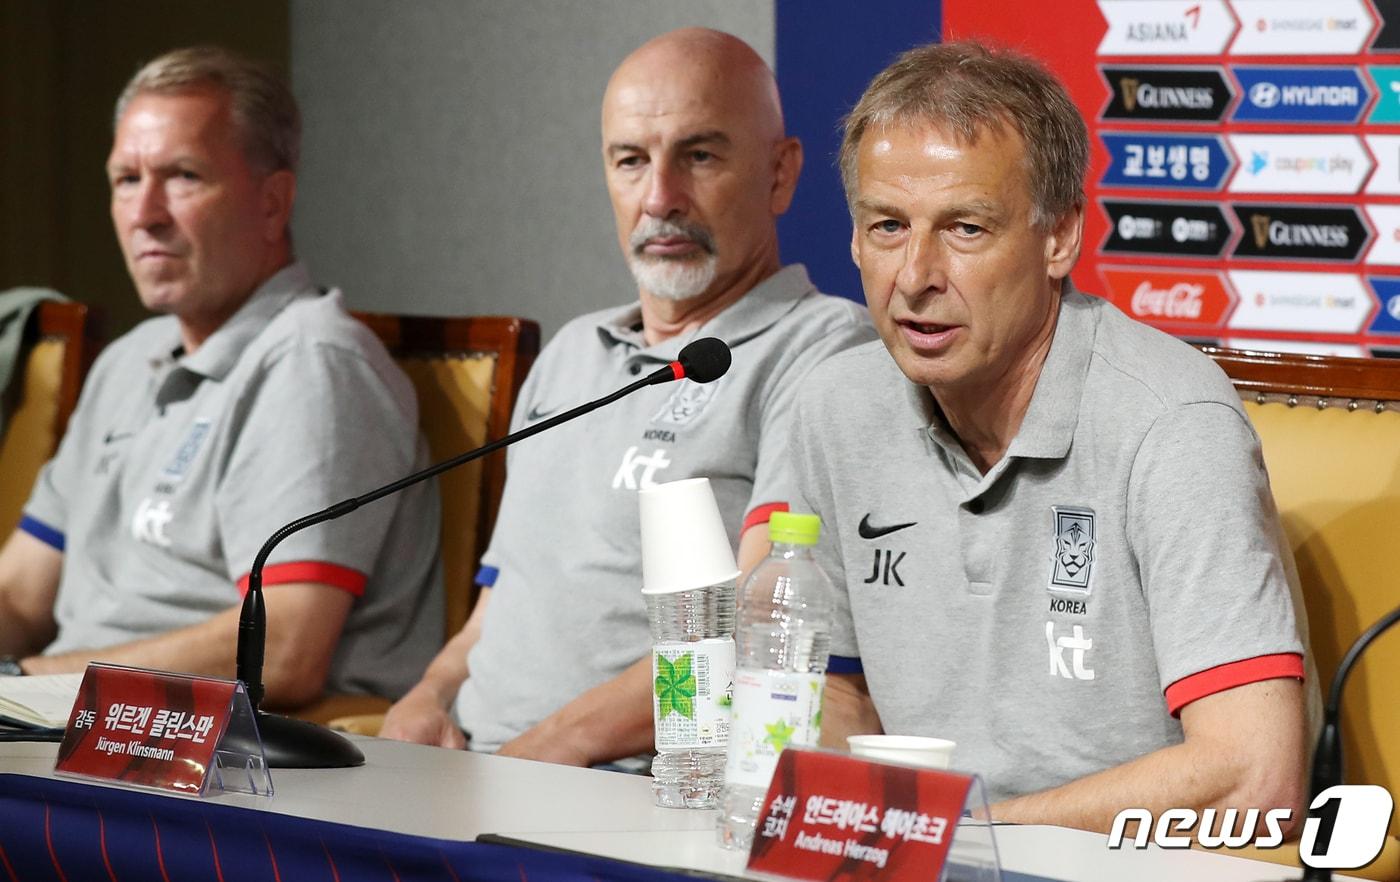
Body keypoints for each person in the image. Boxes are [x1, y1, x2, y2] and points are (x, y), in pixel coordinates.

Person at [797, 41, 1309, 833]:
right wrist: (862, 826)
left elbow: (1254, 776)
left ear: (1059, 237)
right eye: (888, 226)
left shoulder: (1171, 425)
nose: (915, 275)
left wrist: (965, 837)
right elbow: (834, 689)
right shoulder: (836, 405)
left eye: (965, 228)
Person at [381, 28, 874, 764]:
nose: (659, 198)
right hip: (477, 768)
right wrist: (427, 695)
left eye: (699, 156)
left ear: (780, 173)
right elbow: (500, 601)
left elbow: (753, 623)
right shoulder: (572, 355)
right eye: (630, 160)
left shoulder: (825, 352)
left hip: (633, 789)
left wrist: (532, 760)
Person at [0, 47, 443, 707]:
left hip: (223, 755)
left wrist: (28, 687)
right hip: (67, 721)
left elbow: (284, 647)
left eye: (182, 176)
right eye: (125, 179)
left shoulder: (313, 364)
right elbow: (19, 593)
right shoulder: (128, 361)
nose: (144, 212)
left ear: (273, 202)